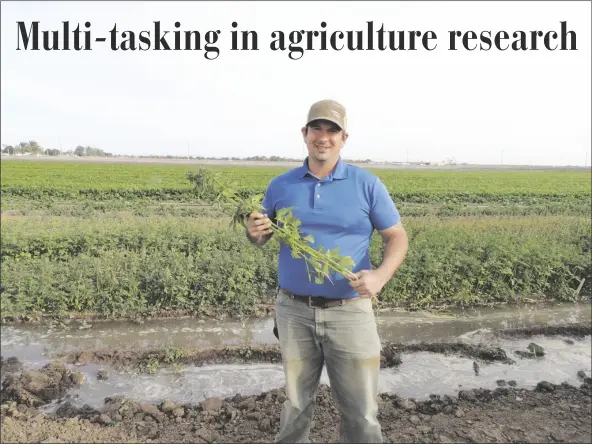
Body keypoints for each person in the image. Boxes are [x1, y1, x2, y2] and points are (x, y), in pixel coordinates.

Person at [246, 99, 408, 443]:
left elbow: (397, 237)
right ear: (304, 134)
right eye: (316, 128)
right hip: (294, 312)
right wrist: (254, 232)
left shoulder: (367, 184)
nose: (324, 137)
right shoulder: (280, 186)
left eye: (332, 130)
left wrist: (378, 276)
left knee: (361, 411)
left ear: (344, 138)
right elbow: (261, 234)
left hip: (350, 312)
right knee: (295, 404)